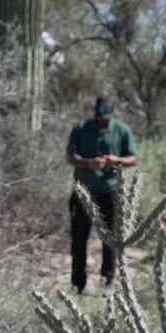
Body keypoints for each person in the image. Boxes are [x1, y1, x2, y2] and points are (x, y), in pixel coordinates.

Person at [65, 96, 137, 296]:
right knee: (79, 239)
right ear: (94, 111)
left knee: (110, 238)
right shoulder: (80, 128)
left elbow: (133, 158)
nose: (103, 120)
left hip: (110, 191)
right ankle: (78, 283)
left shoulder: (121, 129)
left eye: (106, 117)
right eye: (100, 116)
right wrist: (88, 164)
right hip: (83, 191)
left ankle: (108, 279)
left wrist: (116, 160)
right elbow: (70, 156)